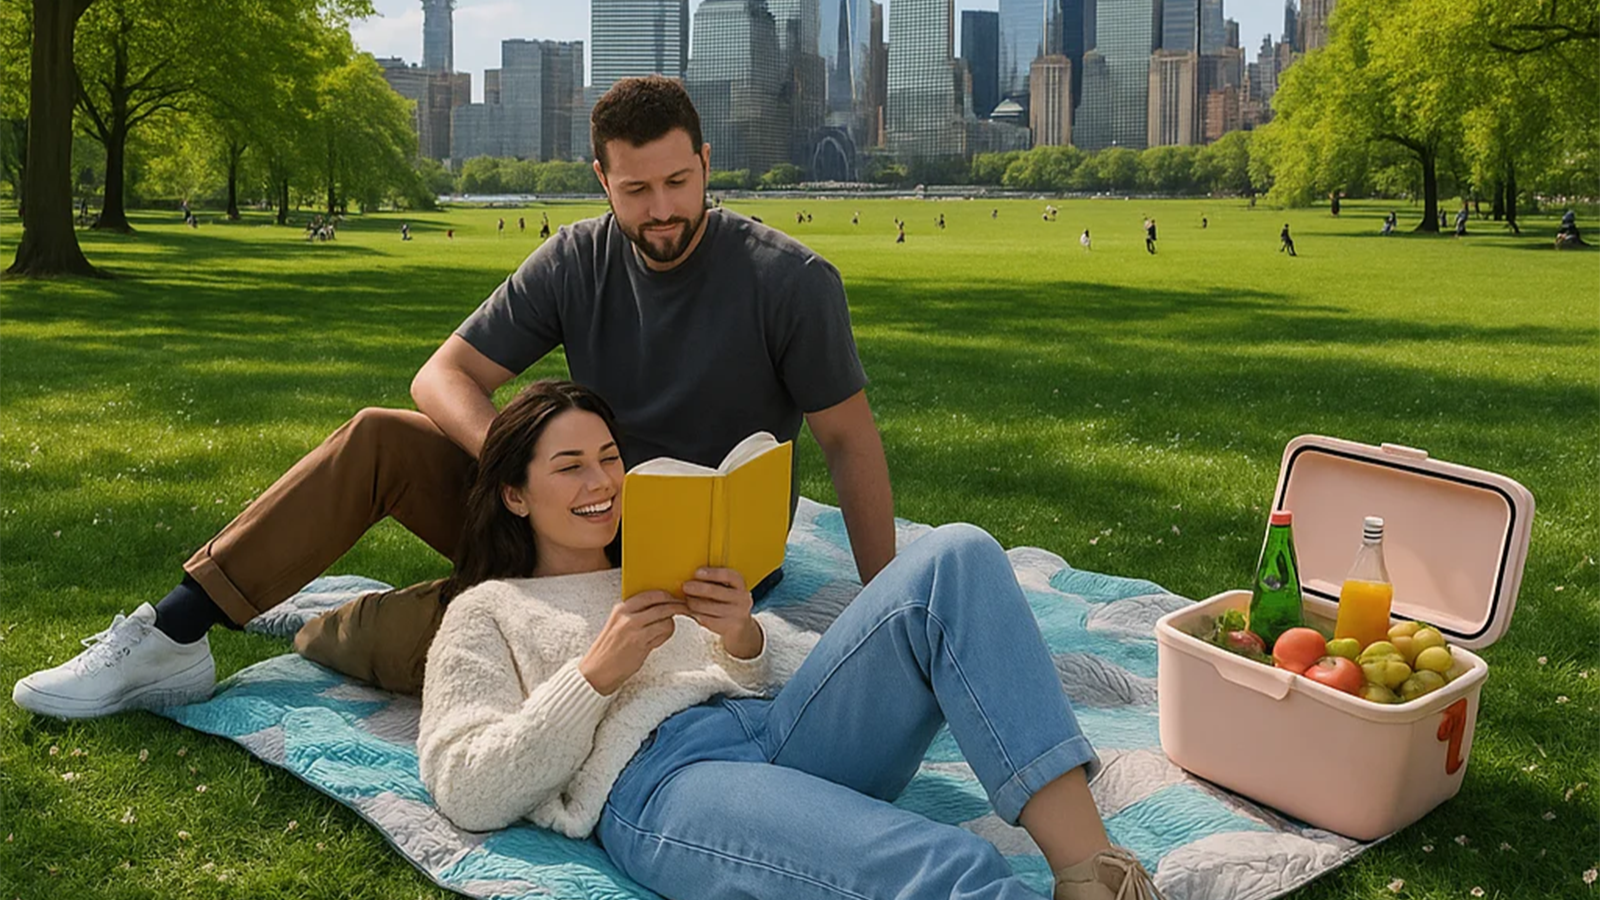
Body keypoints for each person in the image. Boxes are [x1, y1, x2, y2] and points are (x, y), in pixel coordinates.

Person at [12, 75, 895, 716]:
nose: (660, 209)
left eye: (677, 182)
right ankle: (172, 636)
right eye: (636, 190)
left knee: (421, 647)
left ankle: (319, 619)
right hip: (563, 523)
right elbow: (443, 376)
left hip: (687, 568)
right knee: (380, 435)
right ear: (602, 180)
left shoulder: (791, 281)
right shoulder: (575, 256)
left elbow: (850, 443)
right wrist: (531, 469)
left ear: (705, 164)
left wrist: (887, 603)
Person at [417, 378, 1165, 900]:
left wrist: (744, 638)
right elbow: (466, 785)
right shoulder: (489, 613)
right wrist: (594, 677)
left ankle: (1093, 874)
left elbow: (808, 670)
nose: (602, 483)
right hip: (667, 781)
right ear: (514, 493)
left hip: (782, 731)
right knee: (939, 865)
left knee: (959, 554)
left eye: (610, 458)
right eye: (570, 466)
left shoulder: (659, 561)